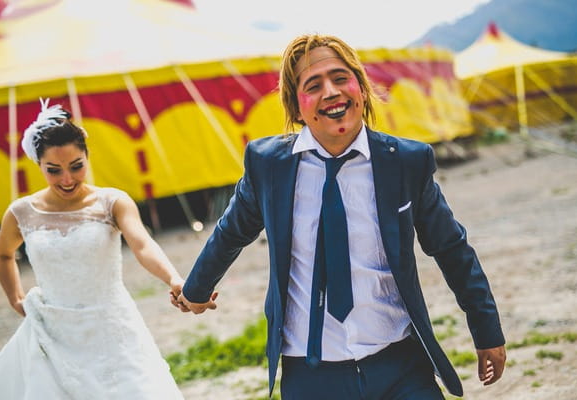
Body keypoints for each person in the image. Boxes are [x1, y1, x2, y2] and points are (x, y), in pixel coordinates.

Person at [175, 34, 506, 399]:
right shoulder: (270, 166)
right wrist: (195, 290)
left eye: (340, 78)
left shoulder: (405, 162)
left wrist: (487, 331)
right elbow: (231, 232)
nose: (330, 92)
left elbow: (450, 248)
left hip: (400, 364)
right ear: (297, 108)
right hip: (311, 373)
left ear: (361, 89)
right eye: (313, 85)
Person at [0, 99, 185, 399]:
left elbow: (142, 244)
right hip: (52, 329)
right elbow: (3, 253)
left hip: (112, 325)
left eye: (76, 167)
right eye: (54, 170)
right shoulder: (22, 212)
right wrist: (15, 296)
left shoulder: (112, 202)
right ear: (39, 165)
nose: (67, 179)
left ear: (87, 157)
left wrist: (173, 278)